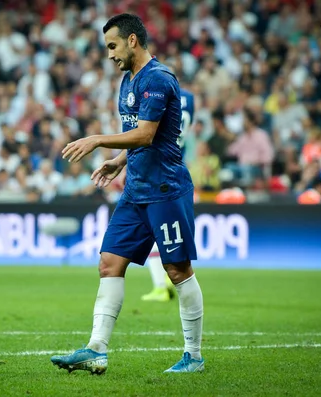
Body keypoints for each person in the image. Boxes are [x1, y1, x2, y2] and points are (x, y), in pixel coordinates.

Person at [51, 14, 204, 374]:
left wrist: (98, 140)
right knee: (109, 262)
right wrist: (119, 161)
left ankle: (193, 356)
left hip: (165, 189)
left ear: (133, 40)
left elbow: (148, 134)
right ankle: (96, 349)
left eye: (113, 46)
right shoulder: (128, 80)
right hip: (136, 189)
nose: (109, 54)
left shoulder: (159, 79)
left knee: (177, 270)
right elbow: (137, 134)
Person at [142, 86, 196, 303]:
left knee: (150, 231)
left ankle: (161, 285)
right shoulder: (190, 98)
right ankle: (166, 279)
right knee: (169, 231)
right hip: (178, 166)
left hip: (157, 168)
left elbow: (148, 131)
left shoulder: (156, 93)